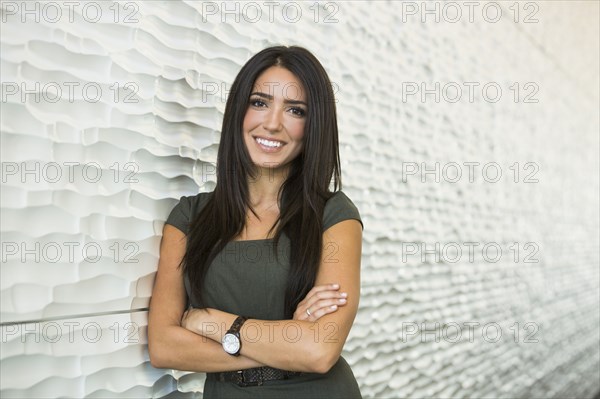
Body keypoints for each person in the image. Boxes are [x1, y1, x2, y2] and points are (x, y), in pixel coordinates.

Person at [148, 45, 364, 398]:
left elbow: (319, 351)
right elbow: (163, 346)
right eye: (259, 102)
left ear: (313, 126)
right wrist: (286, 339)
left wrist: (212, 323)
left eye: (295, 110)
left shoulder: (334, 216)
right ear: (239, 111)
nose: (273, 123)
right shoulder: (189, 218)